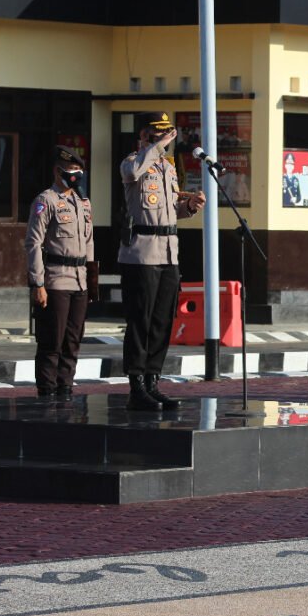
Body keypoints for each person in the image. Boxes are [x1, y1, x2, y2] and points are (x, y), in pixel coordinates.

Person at [120, 113, 205, 410]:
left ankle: (153, 381)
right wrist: (154, 147)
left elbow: (168, 211)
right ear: (144, 136)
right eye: (157, 134)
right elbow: (132, 175)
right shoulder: (133, 161)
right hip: (141, 254)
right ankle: (136, 386)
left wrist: (188, 207)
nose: (165, 139)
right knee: (140, 321)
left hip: (169, 252)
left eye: (166, 134)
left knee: (161, 321)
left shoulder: (168, 169)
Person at [24, 146, 96, 401]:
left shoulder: (82, 202)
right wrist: (37, 283)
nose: (75, 176)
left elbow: (89, 242)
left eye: (78, 171)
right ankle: (46, 389)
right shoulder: (46, 201)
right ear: (58, 172)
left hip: (79, 280)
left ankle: (66, 387)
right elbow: (33, 243)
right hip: (55, 279)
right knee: (52, 340)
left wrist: (91, 282)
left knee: (73, 339)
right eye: (70, 172)